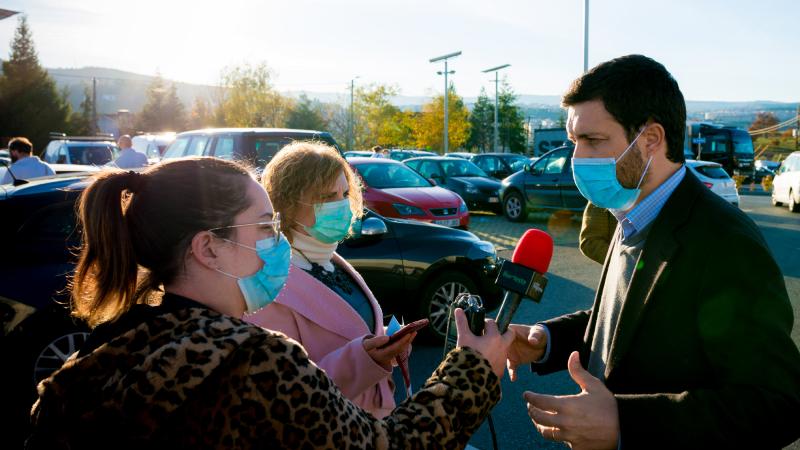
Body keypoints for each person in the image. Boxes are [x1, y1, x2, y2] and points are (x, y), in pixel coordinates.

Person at [27, 157, 513, 449]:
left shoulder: (90, 362)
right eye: (264, 228)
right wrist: (471, 368)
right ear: (207, 247)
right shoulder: (252, 361)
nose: (277, 242)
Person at [506, 55, 800, 449]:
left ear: (650, 139)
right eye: (574, 141)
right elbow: (630, 320)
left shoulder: (725, 241)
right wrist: (546, 340)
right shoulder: (630, 213)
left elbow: (776, 404)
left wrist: (626, 422)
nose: (577, 159)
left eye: (593, 140)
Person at [248, 142, 409, 418]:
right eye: (325, 197)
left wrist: (388, 344)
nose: (340, 205)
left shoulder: (331, 260)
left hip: (376, 424)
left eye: (344, 193)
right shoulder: (269, 287)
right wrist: (366, 357)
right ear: (286, 204)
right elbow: (288, 393)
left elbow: (352, 330)